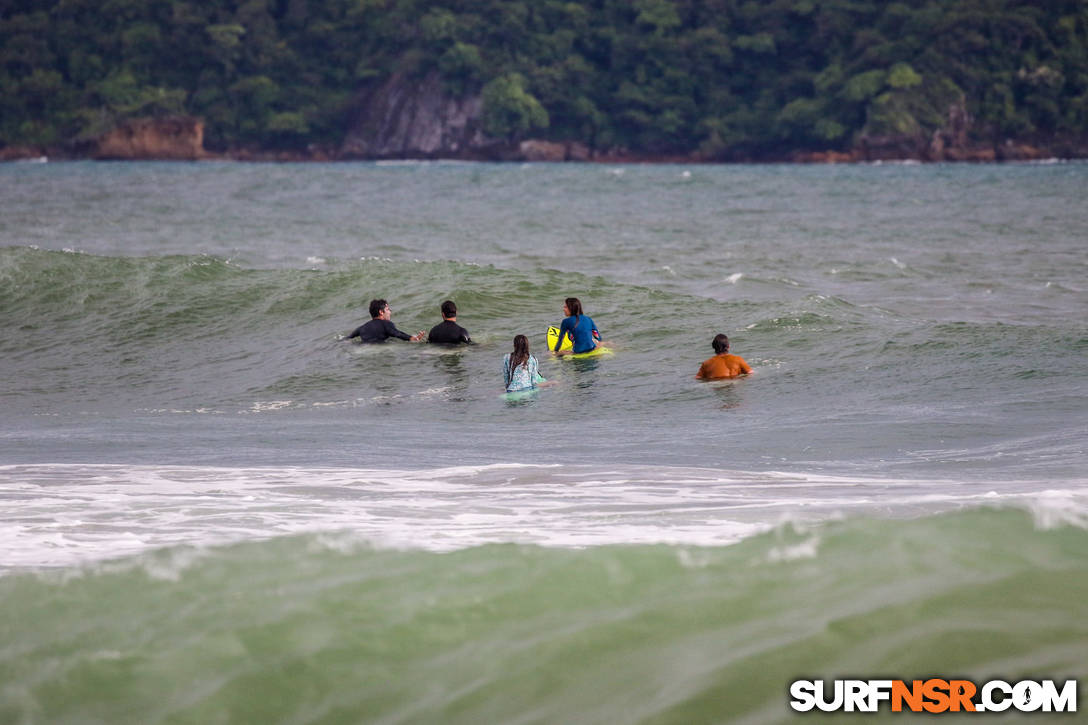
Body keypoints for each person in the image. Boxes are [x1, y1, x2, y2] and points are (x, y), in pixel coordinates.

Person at [346, 299, 424, 343]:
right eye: (388, 309)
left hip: (362, 350)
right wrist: (413, 338)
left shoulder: (362, 327)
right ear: (381, 312)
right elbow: (397, 334)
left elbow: (348, 338)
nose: (390, 311)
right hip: (379, 350)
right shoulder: (386, 324)